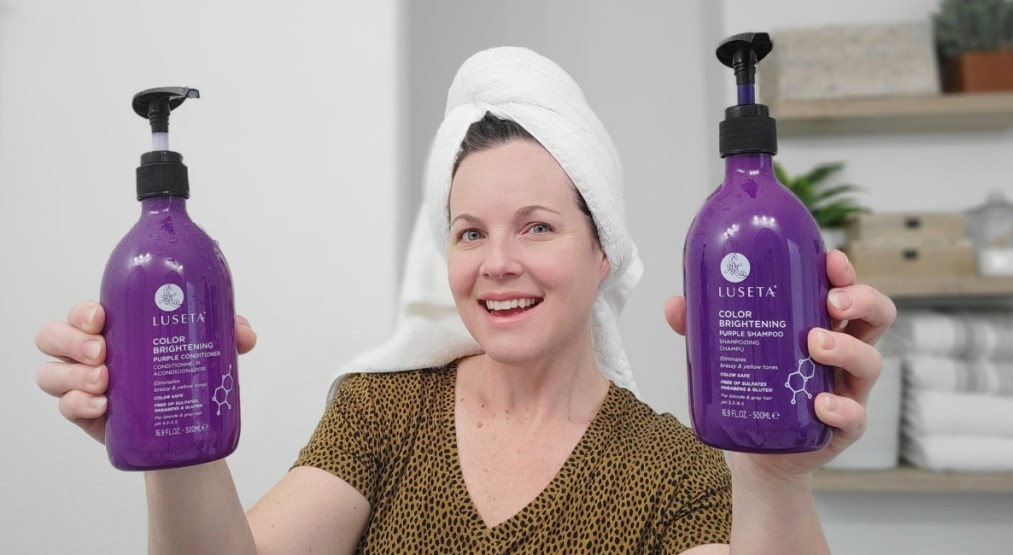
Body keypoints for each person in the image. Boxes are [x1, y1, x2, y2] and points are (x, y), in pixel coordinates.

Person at [35, 47, 895, 553]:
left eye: (538, 227)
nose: (497, 264)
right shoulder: (383, 414)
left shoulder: (683, 472)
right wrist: (173, 447)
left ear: (605, 254)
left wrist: (776, 481)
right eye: (470, 231)